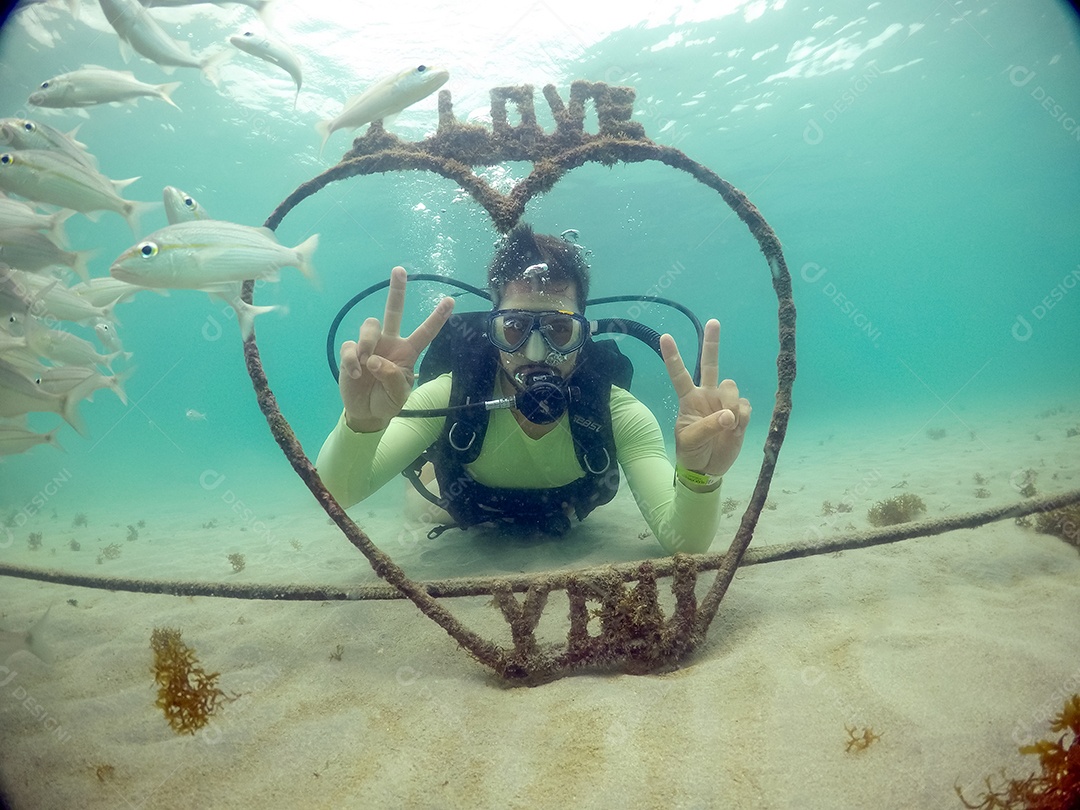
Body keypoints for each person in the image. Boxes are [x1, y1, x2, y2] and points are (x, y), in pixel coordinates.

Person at [315, 224, 751, 554]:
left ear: (585, 332)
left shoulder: (617, 412)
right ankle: (420, 479)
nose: (537, 352)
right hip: (468, 509)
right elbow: (338, 495)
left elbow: (686, 546)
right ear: (494, 331)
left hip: (563, 512)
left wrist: (699, 475)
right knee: (424, 508)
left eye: (560, 329)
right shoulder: (451, 396)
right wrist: (362, 423)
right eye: (516, 328)